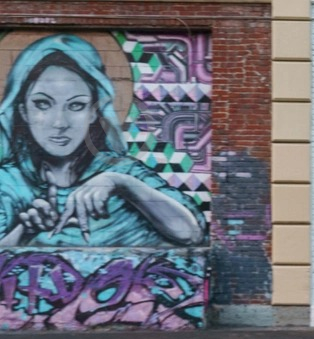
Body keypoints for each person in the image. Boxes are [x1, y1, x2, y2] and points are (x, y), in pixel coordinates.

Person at [0, 33, 206, 247]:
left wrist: (120, 184)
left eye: (76, 105)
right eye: (43, 104)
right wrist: (25, 231)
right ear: (23, 111)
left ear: (93, 112)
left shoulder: (122, 171)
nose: (60, 122)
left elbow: (191, 234)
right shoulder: (8, 183)